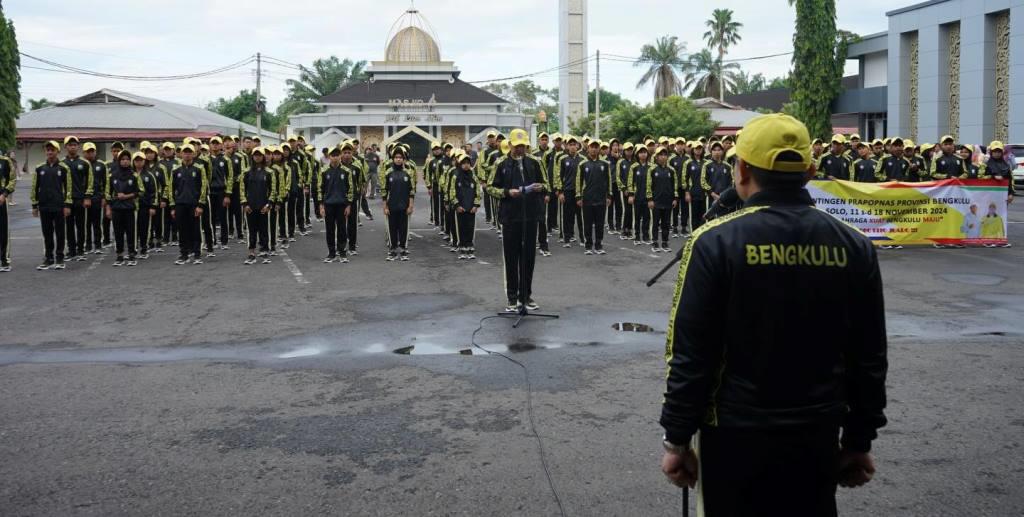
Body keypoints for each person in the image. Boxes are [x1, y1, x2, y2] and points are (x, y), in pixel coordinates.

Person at [660, 114, 887, 517]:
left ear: (742, 170)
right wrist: (858, 440)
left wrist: (677, 441)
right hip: (816, 434)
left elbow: (691, 354)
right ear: (810, 172)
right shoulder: (854, 245)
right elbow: (869, 356)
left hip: (732, 434)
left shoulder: (713, 242)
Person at [487, 128, 548, 312]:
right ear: (510, 145)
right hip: (510, 216)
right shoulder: (501, 163)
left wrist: (540, 188)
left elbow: (547, 184)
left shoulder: (535, 162)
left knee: (528, 258)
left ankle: (526, 296)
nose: (520, 149)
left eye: (523, 146)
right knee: (511, 258)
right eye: (517, 146)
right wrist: (507, 192)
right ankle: (512, 298)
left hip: (530, 216)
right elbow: (490, 187)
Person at [31, 140, 72, 270]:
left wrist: (67, 205)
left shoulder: (64, 168)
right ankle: (48, 258)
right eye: (48, 150)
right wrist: (34, 205)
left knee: (60, 233)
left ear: (57, 151)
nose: (50, 152)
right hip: (44, 205)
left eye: (52, 150)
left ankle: (60, 258)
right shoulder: (39, 168)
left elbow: (68, 187)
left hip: (59, 205)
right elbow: (34, 187)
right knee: (47, 233)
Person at [168, 144, 208, 265]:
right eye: (185, 152)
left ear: (193, 154)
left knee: (195, 229)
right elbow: (170, 188)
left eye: (189, 152)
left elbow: (204, 187)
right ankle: (183, 254)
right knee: (182, 230)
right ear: (181, 154)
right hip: (180, 204)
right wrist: (172, 207)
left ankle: (197, 254)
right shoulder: (175, 170)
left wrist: (200, 205)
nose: (187, 154)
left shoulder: (199, 168)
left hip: (194, 204)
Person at [318, 144, 355, 263]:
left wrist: (348, 205)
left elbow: (350, 189)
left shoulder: (346, 171)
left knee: (342, 229)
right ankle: (331, 253)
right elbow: (320, 189)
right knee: (329, 229)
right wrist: (321, 206)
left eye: (337, 155)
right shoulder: (323, 171)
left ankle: (342, 253)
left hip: (342, 205)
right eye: (333, 155)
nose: (335, 157)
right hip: (328, 205)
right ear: (329, 156)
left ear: (340, 156)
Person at [239, 146, 276, 264]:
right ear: (252, 157)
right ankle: (251, 253)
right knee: (251, 230)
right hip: (250, 206)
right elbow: (242, 189)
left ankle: (265, 251)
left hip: (263, 206)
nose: (257, 157)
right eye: (255, 155)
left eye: (260, 155)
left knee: (264, 230)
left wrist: (269, 204)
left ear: (263, 157)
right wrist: (245, 204)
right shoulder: (246, 172)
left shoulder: (269, 172)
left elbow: (273, 190)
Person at [575, 139, 612, 255]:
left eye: (596, 147)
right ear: (588, 148)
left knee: (600, 224)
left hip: (601, 199)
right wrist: (578, 197)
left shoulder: (605, 164)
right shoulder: (582, 164)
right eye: (592, 147)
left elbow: (609, 180)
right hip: (587, 199)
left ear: (599, 149)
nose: (594, 149)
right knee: (587, 223)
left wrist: (609, 195)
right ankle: (588, 245)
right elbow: (578, 181)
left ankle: (598, 245)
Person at [106, 150, 141, 266]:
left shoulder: (134, 175)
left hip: (130, 208)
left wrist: (126, 196)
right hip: (116, 208)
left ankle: (131, 254)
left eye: (127, 159)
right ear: (119, 161)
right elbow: (107, 193)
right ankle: (119, 255)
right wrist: (108, 208)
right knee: (118, 232)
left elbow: (140, 191)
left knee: (131, 232)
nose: (125, 161)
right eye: (122, 159)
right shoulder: (112, 175)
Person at [382, 147, 414, 261]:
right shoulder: (388, 173)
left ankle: (403, 250)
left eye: (400, 157)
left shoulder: (408, 173)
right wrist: (385, 206)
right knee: (392, 228)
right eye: (396, 157)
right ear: (393, 159)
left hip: (404, 206)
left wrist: (410, 206)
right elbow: (384, 191)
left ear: (404, 159)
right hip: (392, 206)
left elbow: (411, 191)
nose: (398, 159)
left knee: (404, 229)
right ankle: (393, 250)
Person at [450, 151, 481, 260]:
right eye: (463, 163)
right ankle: (462, 248)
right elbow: (452, 191)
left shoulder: (474, 177)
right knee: (461, 228)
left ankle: (470, 247)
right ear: (460, 164)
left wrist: (476, 205)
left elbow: (478, 191)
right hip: (460, 208)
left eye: (468, 163)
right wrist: (457, 205)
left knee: (470, 228)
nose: (466, 165)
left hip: (471, 208)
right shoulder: (456, 176)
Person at [647, 146, 678, 253]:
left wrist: (675, 198)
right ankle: (655, 241)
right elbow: (648, 186)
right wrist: (650, 199)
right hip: (656, 201)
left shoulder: (671, 170)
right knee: (655, 223)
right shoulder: (652, 169)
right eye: (661, 155)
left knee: (666, 223)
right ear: (656, 157)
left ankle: (665, 242)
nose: (663, 157)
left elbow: (675, 185)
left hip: (668, 201)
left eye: (665, 155)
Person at [554, 135, 584, 247]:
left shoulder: (582, 159)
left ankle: (583, 238)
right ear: (567, 146)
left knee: (580, 216)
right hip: (567, 191)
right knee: (567, 215)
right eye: (570, 145)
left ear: (577, 146)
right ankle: (566, 238)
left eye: (574, 144)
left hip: (579, 192)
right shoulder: (562, 159)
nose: (572, 147)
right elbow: (559, 176)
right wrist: (560, 191)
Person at [206, 137, 233, 251]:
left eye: (217, 143)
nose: (215, 145)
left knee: (223, 217)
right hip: (209, 192)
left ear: (221, 145)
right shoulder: (205, 160)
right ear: (210, 145)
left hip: (222, 191)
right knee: (210, 218)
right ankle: (212, 241)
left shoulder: (226, 160)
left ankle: (224, 241)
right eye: (213, 143)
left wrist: (227, 195)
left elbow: (230, 177)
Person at [137, 148, 161, 259]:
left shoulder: (149, 174)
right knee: (134, 229)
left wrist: (153, 205)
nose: (138, 162)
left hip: (145, 205)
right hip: (131, 206)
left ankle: (145, 247)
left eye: (141, 160)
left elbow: (154, 191)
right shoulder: (131, 174)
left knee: (146, 227)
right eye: (136, 160)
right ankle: (133, 249)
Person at [627, 146, 653, 246]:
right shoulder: (633, 167)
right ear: (637, 154)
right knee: (636, 217)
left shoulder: (651, 166)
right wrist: (631, 194)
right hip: (637, 197)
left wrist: (652, 197)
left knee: (647, 217)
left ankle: (646, 235)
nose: (643, 154)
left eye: (645, 152)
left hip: (648, 197)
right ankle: (637, 236)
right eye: (641, 152)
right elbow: (630, 182)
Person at [685, 141, 710, 232]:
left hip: (704, 194)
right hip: (693, 193)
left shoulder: (707, 162)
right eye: (696, 148)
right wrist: (687, 193)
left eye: (700, 148)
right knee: (694, 216)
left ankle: (702, 233)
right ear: (693, 150)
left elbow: (709, 178)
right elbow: (685, 178)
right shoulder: (688, 163)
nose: (698, 150)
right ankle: (694, 234)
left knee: (704, 215)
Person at [0, 148, 15, 271]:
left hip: (1, 199)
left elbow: (12, 179)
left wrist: (4, 194)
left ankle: (4, 260)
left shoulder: (5, 161)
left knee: (3, 230)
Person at [617, 142, 636, 240]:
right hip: (624, 190)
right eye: (627, 150)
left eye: (631, 149)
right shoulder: (621, 162)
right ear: (624, 151)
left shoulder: (635, 162)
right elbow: (618, 177)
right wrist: (623, 188)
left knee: (632, 210)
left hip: (634, 190)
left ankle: (630, 229)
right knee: (626, 210)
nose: (629, 151)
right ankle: (624, 229)